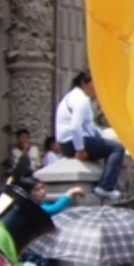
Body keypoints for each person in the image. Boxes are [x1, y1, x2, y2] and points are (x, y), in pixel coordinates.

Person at [54, 72, 126, 200]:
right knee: (117, 149)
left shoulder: (76, 97)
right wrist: (80, 150)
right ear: (84, 83)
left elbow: (90, 127)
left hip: (70, 141)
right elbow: (75, 127)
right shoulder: (80, 99)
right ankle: (106, 187)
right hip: (72, 142)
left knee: (110, 144)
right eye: (94, 83)